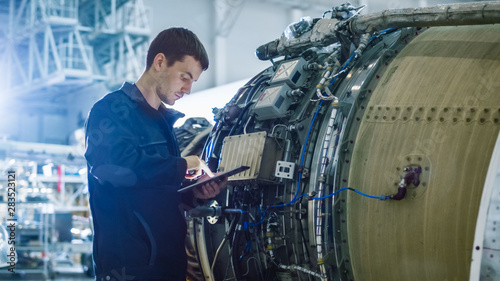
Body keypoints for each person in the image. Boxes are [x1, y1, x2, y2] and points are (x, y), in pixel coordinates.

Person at [84, 27, 227, 281]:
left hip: (169, 267)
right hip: (129, 270)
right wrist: (181, 165)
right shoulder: (109, 111)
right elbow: (111, 169)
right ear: (160, 62)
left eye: (193, 81)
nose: (188, 89)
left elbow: (161, 192)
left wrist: (196, 195)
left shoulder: (163, 123)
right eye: (185, 77)